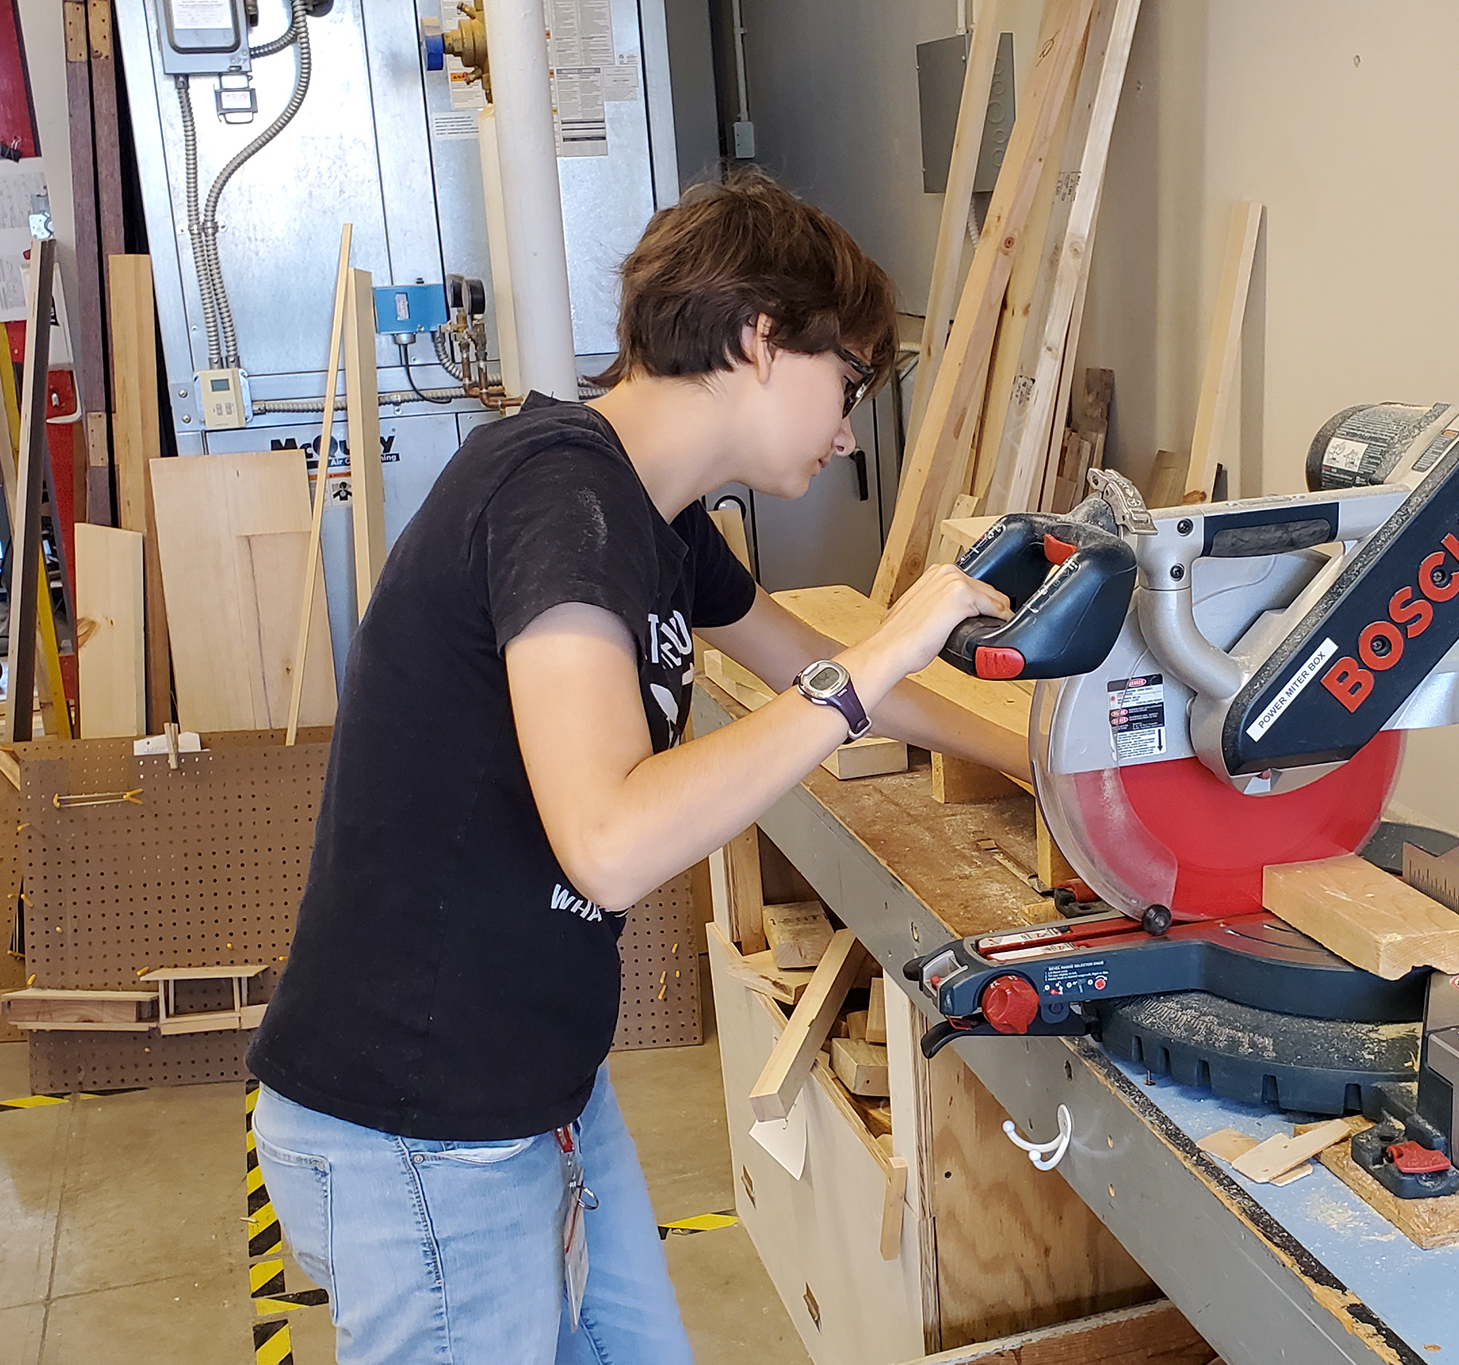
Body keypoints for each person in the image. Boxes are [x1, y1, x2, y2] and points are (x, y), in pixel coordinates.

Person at [245, 167, 1024, 1364]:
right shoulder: (560, 491)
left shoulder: (655, 520)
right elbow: (610, 845)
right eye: (851, 380)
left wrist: (1038, 763)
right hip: (418, 1120)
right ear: (762, 340)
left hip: (535, 1086)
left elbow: (800, 659)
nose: (850, 422)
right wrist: (876, 657)